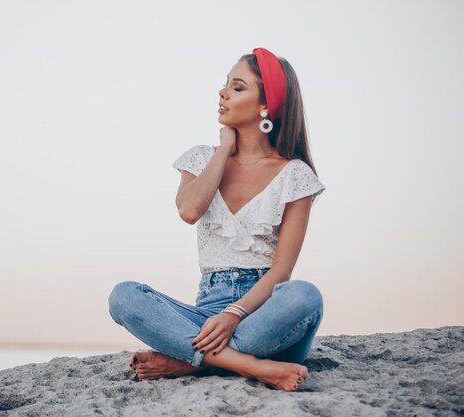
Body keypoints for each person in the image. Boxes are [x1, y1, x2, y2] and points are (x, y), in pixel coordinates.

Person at [108, 47, 326, 392]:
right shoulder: (201, 159)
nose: (223, 93)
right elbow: (189, 210)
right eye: (225, 84)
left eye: (238, 87)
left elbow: (281, 271)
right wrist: (223, 150)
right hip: (204, 316)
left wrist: (234, 314)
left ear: (266, 106)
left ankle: (188, 362)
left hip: (265, 315)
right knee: (123, 297)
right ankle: (247, 365)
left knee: (305, 296)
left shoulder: (294, 175)